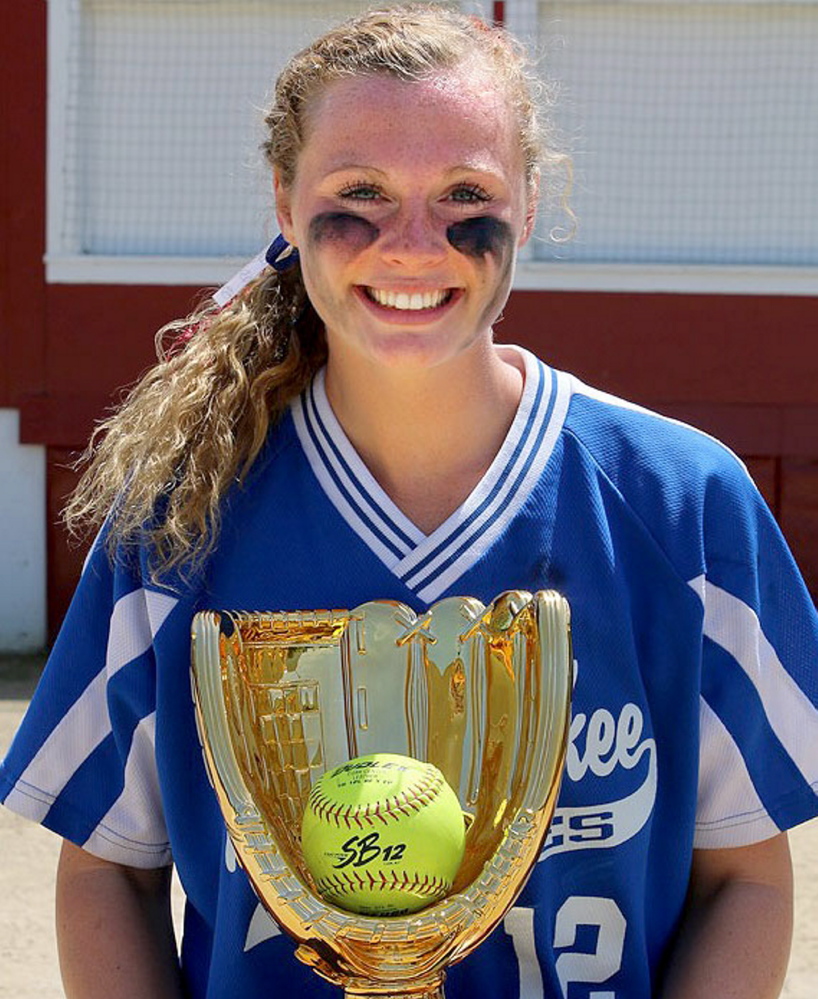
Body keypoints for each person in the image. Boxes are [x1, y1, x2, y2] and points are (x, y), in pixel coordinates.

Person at [2, 4, 817, 997]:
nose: (411, 241)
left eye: (463, 191)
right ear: (282, 199)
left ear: (526, 199)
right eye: (360, 192)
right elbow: (106, 868)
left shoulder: (680, 506)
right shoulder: (179, 516)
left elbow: (743, 877)